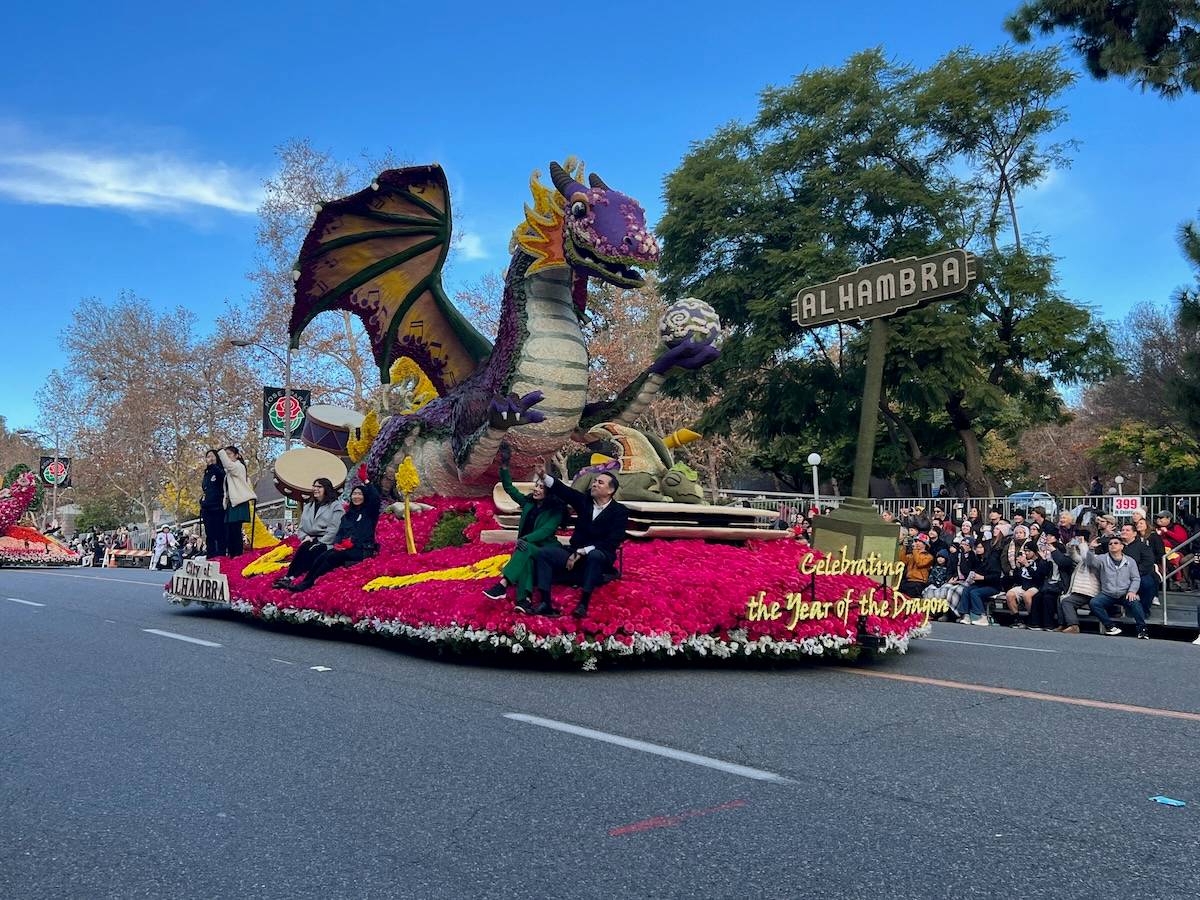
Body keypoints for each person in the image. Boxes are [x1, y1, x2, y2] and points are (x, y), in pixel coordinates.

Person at [530, 457, 629, 619]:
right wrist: (543, 476)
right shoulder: (585, 502)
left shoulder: (620, 512)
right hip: (574, 551)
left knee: (595, 555)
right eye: (595, 481)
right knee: (544, 554)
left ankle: (583, 604)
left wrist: (583, 551)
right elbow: (565, 491)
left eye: (600, 483)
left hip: (600, 556)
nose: (594, 484)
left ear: (610, 491)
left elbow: (612, 542)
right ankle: (546, 603)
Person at [483, 443, 567, 608]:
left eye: (541, 487)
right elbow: (508, 488)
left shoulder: (556, 511)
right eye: (536, 485)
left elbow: (545, 531)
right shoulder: (528, 503)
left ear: (549, 492)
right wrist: (505, 465)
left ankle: (502, 585)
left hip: (548, 551)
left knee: (525, 547)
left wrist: (525, 539)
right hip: (527, 548)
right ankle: (524, 601)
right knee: (526, 555)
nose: (536, 489)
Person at [287, 482, 380, 591]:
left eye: (360, 494)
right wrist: (338, 543)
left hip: (362, 549)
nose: (356, 496)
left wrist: (367, 482)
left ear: (365, 497)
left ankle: (307, 584)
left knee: (332, 557)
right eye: (354, 494)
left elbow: (376, 499)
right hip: (345, 549)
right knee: (323, 556)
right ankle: (306, 581)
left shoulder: (369, 513)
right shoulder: (348, 515)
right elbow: (340, 532)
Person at [274, 478, 344, 589]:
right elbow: (301, 528)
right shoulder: (308, 506)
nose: (316, 489)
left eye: (319, 487)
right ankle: (289, 577)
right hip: (309, 538)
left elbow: (334, 529)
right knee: (303, 548)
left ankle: (295, 578)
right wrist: (305, 537)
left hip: (326, 540)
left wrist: (321, 541)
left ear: (326, 489)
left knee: (314, 549)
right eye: (314, 486)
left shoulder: (335, 506)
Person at [1084, 536, 1147, 638]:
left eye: (1116, 543)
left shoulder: (1130, 561)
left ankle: (1142, 630)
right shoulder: (1103, 558)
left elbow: (1136, 578)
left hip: (1124, 593)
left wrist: (1132, 591)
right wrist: (1091, 549)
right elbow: (1090, 563)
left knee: (1135, 603)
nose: (1113, 545)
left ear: (1122, 546)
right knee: (1094, 603)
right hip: (1107, 593)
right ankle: (1110, 627)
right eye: (1110, 544)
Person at [1056, 533, 1100, 633]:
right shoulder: (1084, 559)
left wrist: (1083, 544)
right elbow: (1074, 556)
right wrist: (1071, 546)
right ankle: (1062, 624)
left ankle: (1073, 625)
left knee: (1067, 601)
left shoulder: (1098, 559)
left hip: (1088, 591)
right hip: (1080, 590)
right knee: (1061, 598)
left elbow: (1086, 558)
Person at [219, 445, 256, 558]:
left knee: (235, 530)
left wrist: (221, 452)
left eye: (229, 454)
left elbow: (228, 465)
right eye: (226, 455)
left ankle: (237, 554)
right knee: (230, 531)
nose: (227, 457)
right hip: (231, 503)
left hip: (238, 502)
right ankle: (231, 554)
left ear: (236, 455)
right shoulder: (230, 471)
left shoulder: (238, 467)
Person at [1116, 521, 1157, 616]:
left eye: (1127, 530)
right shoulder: (1115, 545)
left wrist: (1132, 574)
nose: (1124, 532)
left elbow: (1148, 563)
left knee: (1148, 583)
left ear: (1134, 533)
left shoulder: (1143, 547)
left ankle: (1143, 610)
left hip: (1138, 575)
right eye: (1122, 530)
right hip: (1117, 575)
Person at [1004, 543, 1049, 628]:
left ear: (1034, 552)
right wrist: (1017, 567)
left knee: (1026, 595)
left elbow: (1038, 578)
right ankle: (1017, 620)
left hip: (1035, 585)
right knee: (1010, 594)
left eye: (1029, 551)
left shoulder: (1040, 562)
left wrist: (1027, 566)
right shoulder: (1023, 561)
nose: (1026, 553)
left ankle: (1032, 619)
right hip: (1023, 585)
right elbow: (1017, 579)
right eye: (1025, 551)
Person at [200, 449, 226, 558]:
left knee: (219, 533)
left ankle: (220, 555)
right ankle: (210, 555)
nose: (210, 458)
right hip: (207, 507)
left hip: (218, 507)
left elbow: (222, 477)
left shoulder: (220, 470)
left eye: (212, 456)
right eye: (208, 456)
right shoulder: (206, 473)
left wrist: (214, 465)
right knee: (209, 534)